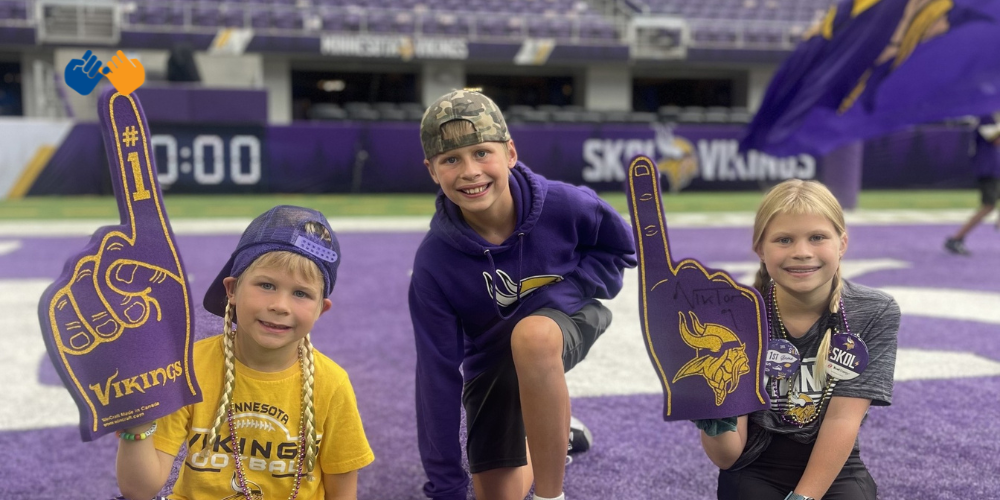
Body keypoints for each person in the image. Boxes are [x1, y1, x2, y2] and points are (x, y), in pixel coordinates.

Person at [409, 90, 636, 500]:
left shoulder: (565, 204)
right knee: (496, 496)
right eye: (450, 160)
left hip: (565, 320)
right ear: (431, 170)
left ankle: (552, 496)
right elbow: (436, 375)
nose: (469, 171)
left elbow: (621, 249)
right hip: (492, 359)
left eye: (482, 153)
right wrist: (445, 486)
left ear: (510, 152)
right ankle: (553, 430)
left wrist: (566, 294)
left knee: (532, 336)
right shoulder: (433, 262)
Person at [115, 205, 374, 500]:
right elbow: (138, 490)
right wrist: (136, 423)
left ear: (320, 309)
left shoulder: (332, 384)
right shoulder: (189, 368)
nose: (280, 305)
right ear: (232, 290)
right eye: (266, 285)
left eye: (301, 293)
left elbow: (342, 493)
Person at [697, 180, 899, 500]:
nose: (802, 252)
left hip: (835, 466)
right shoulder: (732, 316)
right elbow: (727, 457)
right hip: (754, 465)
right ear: (760, 249)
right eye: (784, 239)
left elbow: (843, 418)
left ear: (842, 243)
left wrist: (803, 498)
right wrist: (712, 416)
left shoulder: (874, 311)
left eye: (817, 237)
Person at [945, 113, 1000, 255]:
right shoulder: (986, 117)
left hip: (992, 167)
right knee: (988, 205)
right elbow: (995, 139)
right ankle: (956, 238)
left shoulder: (989, 117)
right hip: (987, 168)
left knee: (990, 204)